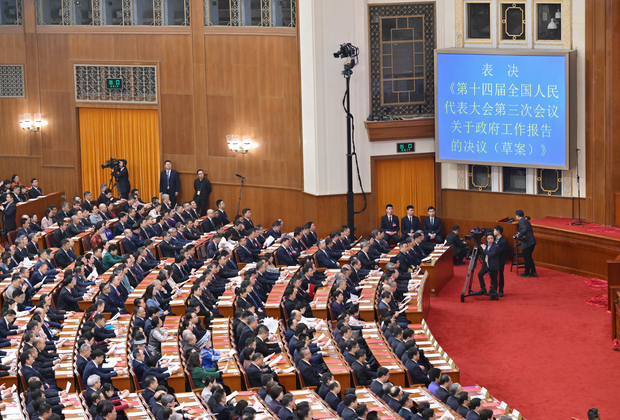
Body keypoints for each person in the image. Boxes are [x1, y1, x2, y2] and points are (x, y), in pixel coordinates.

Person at [475, 233, 500, 300]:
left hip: (493, 265)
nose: (490, 240)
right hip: (486, 264)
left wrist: (484, 249)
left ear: (493, 239)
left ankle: (494, 293)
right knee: (480, 274)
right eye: (488, 238)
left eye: (491, 238)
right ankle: (483, 288)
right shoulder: (485, 245)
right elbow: (482, 253)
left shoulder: (496, 246)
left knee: (493, 280)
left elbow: (491, 255)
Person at [515, 209, 537, 277]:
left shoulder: (521, 221)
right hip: (531, 242)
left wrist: (519, 235)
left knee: (527, 258)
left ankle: (527, 273)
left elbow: (524, 230)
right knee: (529, 258)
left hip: (527, 243)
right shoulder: (526, 220)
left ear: (518, 216)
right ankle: (533, 271)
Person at [493, 225, 509, 297]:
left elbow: (501, 251)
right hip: (494, 260)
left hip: (500, 260)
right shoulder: (494, 239)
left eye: (495, 230)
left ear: (498, 232)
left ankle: (501, 290)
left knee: (500, 275)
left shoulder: (503, 241)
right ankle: (493, 289)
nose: (493, 232)